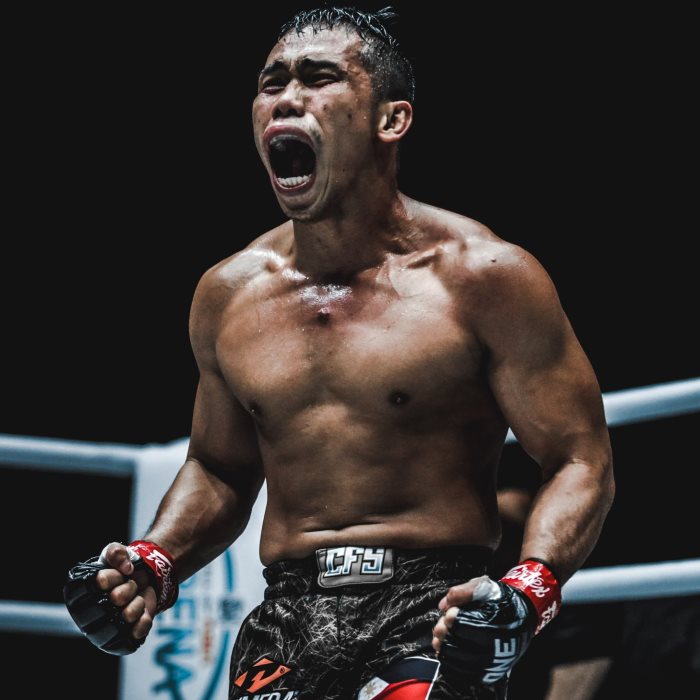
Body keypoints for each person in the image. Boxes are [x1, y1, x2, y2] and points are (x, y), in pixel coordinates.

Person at [65, 7, 615, 699]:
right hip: (287, 616)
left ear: (392, 120)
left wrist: (530, 589)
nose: (286, 99)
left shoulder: (485, 278)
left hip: (430, 610)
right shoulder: (228, 294)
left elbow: (579, 458)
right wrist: (153, 560)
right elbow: (220, 467)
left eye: (318, 78)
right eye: (271, 83)